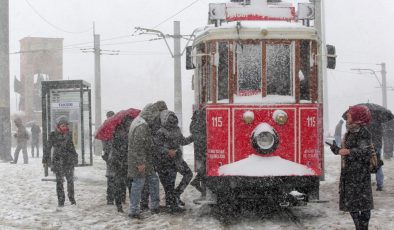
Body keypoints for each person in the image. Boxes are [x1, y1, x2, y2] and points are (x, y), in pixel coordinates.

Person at [330, 105, 373, 230]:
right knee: (352, 205)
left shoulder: (364, 132)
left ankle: (362, 228)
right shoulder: (349, 131)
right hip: (349, 173)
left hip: (360, 175)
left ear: (357, 116)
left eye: (350, 113)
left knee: (364, 207)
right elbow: (346, 150)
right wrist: (336, 150)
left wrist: (349, 152)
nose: (347, 115)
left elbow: (366, 152)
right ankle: (358, 227)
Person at [155, 109, 193, 212]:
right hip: (164, 162)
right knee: (169, 185)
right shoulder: (160, 132)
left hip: (177, 160)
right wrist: (167, 151)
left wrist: (193, 137)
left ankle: (176, 195)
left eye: (174, 121)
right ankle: (172, 206)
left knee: (189, 174)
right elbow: (157, 148)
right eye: (170, 122)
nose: (172, 124)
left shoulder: (177, 129)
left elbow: (183, 141)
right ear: (165, 120)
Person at [127, 103, 161, 219]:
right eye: (154, 116)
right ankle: (134, 210)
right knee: (138, 184)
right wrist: (140, 163)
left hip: (145, 161)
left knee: (152, 180)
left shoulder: (138, 121)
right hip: (141, 161)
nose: (154, 119)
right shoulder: (142, 126)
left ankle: (154, 206)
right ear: (150, 114)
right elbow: (138, 146)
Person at [43, 116, 78, 207]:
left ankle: (72, 199)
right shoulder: (53, 135)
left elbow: (71, 147)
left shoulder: (69, 134)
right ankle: (61, 200)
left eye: (66, 125)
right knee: (59, 182)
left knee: (70, 181)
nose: (64, 127)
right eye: (62, 125)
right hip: (58, 160)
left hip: (68, 161)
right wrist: (45, 159)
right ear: (58, 126)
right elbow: (48, 147)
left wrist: (75, 156)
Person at [111, 114, 134, 213]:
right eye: (129, 123)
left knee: (125, 184)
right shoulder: (122, 132)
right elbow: (117, 148)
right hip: (121, 162)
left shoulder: (123, 131)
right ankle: (121, 205)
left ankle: (122, 205)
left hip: (123, 162)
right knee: (123, 184)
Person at [189, 109, 207, 200]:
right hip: (204, 149)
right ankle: (203, 191)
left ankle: (202, 190)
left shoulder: (194, 123)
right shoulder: (202, 122)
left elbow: (193, 133)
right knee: (205, 169)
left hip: (199, 150)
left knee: (203, 169)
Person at [102, 111, 115, 205]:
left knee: (111, 178)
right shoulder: (116, 126)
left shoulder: (105, 127)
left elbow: (104, 144)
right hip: (115, 156)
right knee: (116, 177)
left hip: (110, 156)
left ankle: (110, 199)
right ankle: (118, 197)